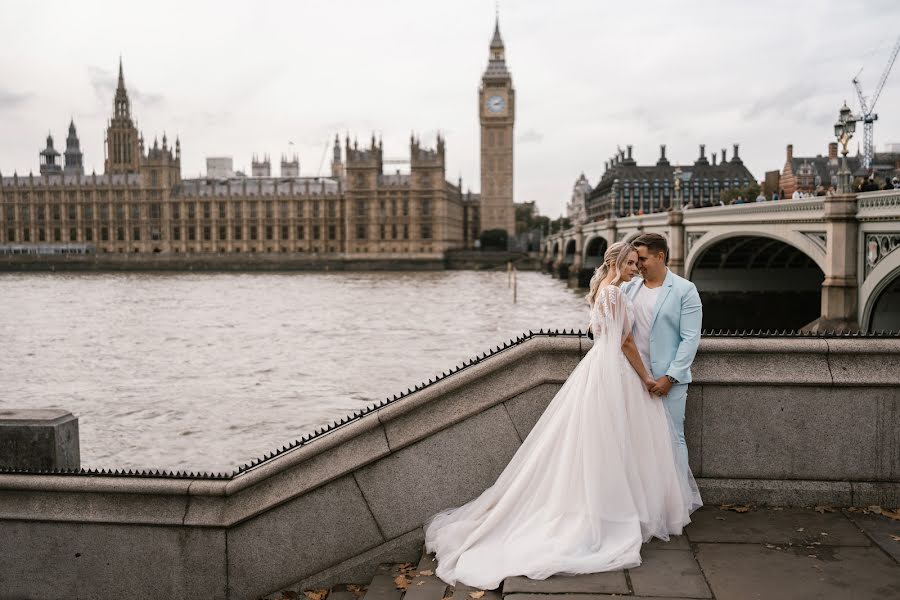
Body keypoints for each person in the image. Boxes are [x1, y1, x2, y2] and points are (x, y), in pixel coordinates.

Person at [423, 242, 702, 589]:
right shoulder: (617, 292)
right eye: (630, 262)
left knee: (604, 443)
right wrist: (645, 376)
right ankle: (616, 513)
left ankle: (610, 508)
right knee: (619, 443)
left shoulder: (609, 289)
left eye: (638, 261)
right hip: (620, 370)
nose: (636, 267)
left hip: (602, 368)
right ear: (616, 263)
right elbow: (626, 342)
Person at [621, 233, 703, 469]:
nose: (637, 266)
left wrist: (670, 377)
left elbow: (690, 339)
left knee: (673, 437)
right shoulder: (630, 288)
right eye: (635, 261)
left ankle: (680, 499)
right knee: (637, 440)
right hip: (634, 376)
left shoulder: (685, 290)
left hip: (668, 381)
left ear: (660, 256)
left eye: (643, 260)